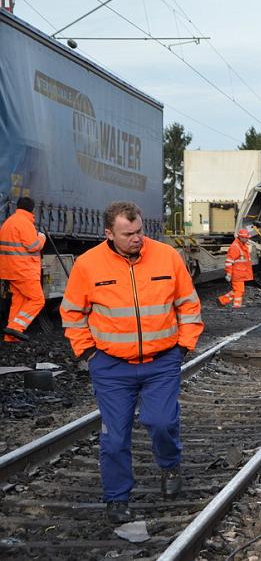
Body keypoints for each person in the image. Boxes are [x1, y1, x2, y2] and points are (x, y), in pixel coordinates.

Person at [60, 201, 204, 524]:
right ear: (109, 233)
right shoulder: (88, 265)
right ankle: (117, 498)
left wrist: (183, 347)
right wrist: (88, 353)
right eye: (128, 234)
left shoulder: (167, 257)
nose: (137, 238)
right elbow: (71, 312)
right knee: (114, 437)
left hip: (162, 361)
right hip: (111, 366)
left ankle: (170, 465)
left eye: (139, 230)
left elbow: (189, 304)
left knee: (161, 422)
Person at [0, 197, 46, 342]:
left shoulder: (9, 222)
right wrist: (41, 237)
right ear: (32, 209)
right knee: (37, 300)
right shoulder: (24, 223)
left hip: (10, 270)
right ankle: (15, 327)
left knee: (18, 301)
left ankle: (10, 337)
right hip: (24, 270)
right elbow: (33, 246)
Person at [218, 229, 253, 308]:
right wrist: (229, 274)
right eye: (245, 238)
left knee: (237, 290)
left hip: (240, 273)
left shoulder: (242, 245)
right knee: (239, 290)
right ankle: (237, 306)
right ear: (240, 237)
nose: (247, 239)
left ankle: (222, 300)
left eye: (247, 237)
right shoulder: (235, 247)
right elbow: (229, 262)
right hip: (237, 273)